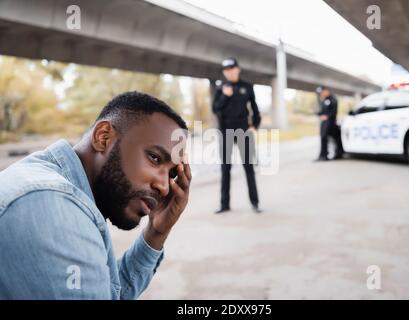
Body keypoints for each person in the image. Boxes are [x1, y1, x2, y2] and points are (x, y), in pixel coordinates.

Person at [0, 91, 191, 299]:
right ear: (104, 137)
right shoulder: (52, 207)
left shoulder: (50, 184)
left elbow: (107, 293)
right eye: (155, 158)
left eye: (172, 174)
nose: (164, 187)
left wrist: (156, 233)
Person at [212, 57, 262, 214]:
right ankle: (224, 204)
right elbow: (215, 109)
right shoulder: (221, 87)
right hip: (225, 131)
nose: (229, 72)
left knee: (248, 168)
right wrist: (225, 96)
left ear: (238, 69)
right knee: (225, 168)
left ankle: (255, 203)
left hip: (243, 131)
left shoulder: (247, 87)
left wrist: (255, 125)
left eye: (232, 69)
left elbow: (254, 108)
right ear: (224, 72)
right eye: (226, 70)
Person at [315, 86, 343, 161]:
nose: (321, 94)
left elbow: (334, 112)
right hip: (324, 123)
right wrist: (319, 114)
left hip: (331, 123)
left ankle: (338, 154)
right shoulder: (324, 100)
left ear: (326, 90)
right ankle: (323, 155)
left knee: (334, 138)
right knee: (323, 138)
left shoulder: (333, 99)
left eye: (322, 92)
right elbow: (322, 111)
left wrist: (327, 116)